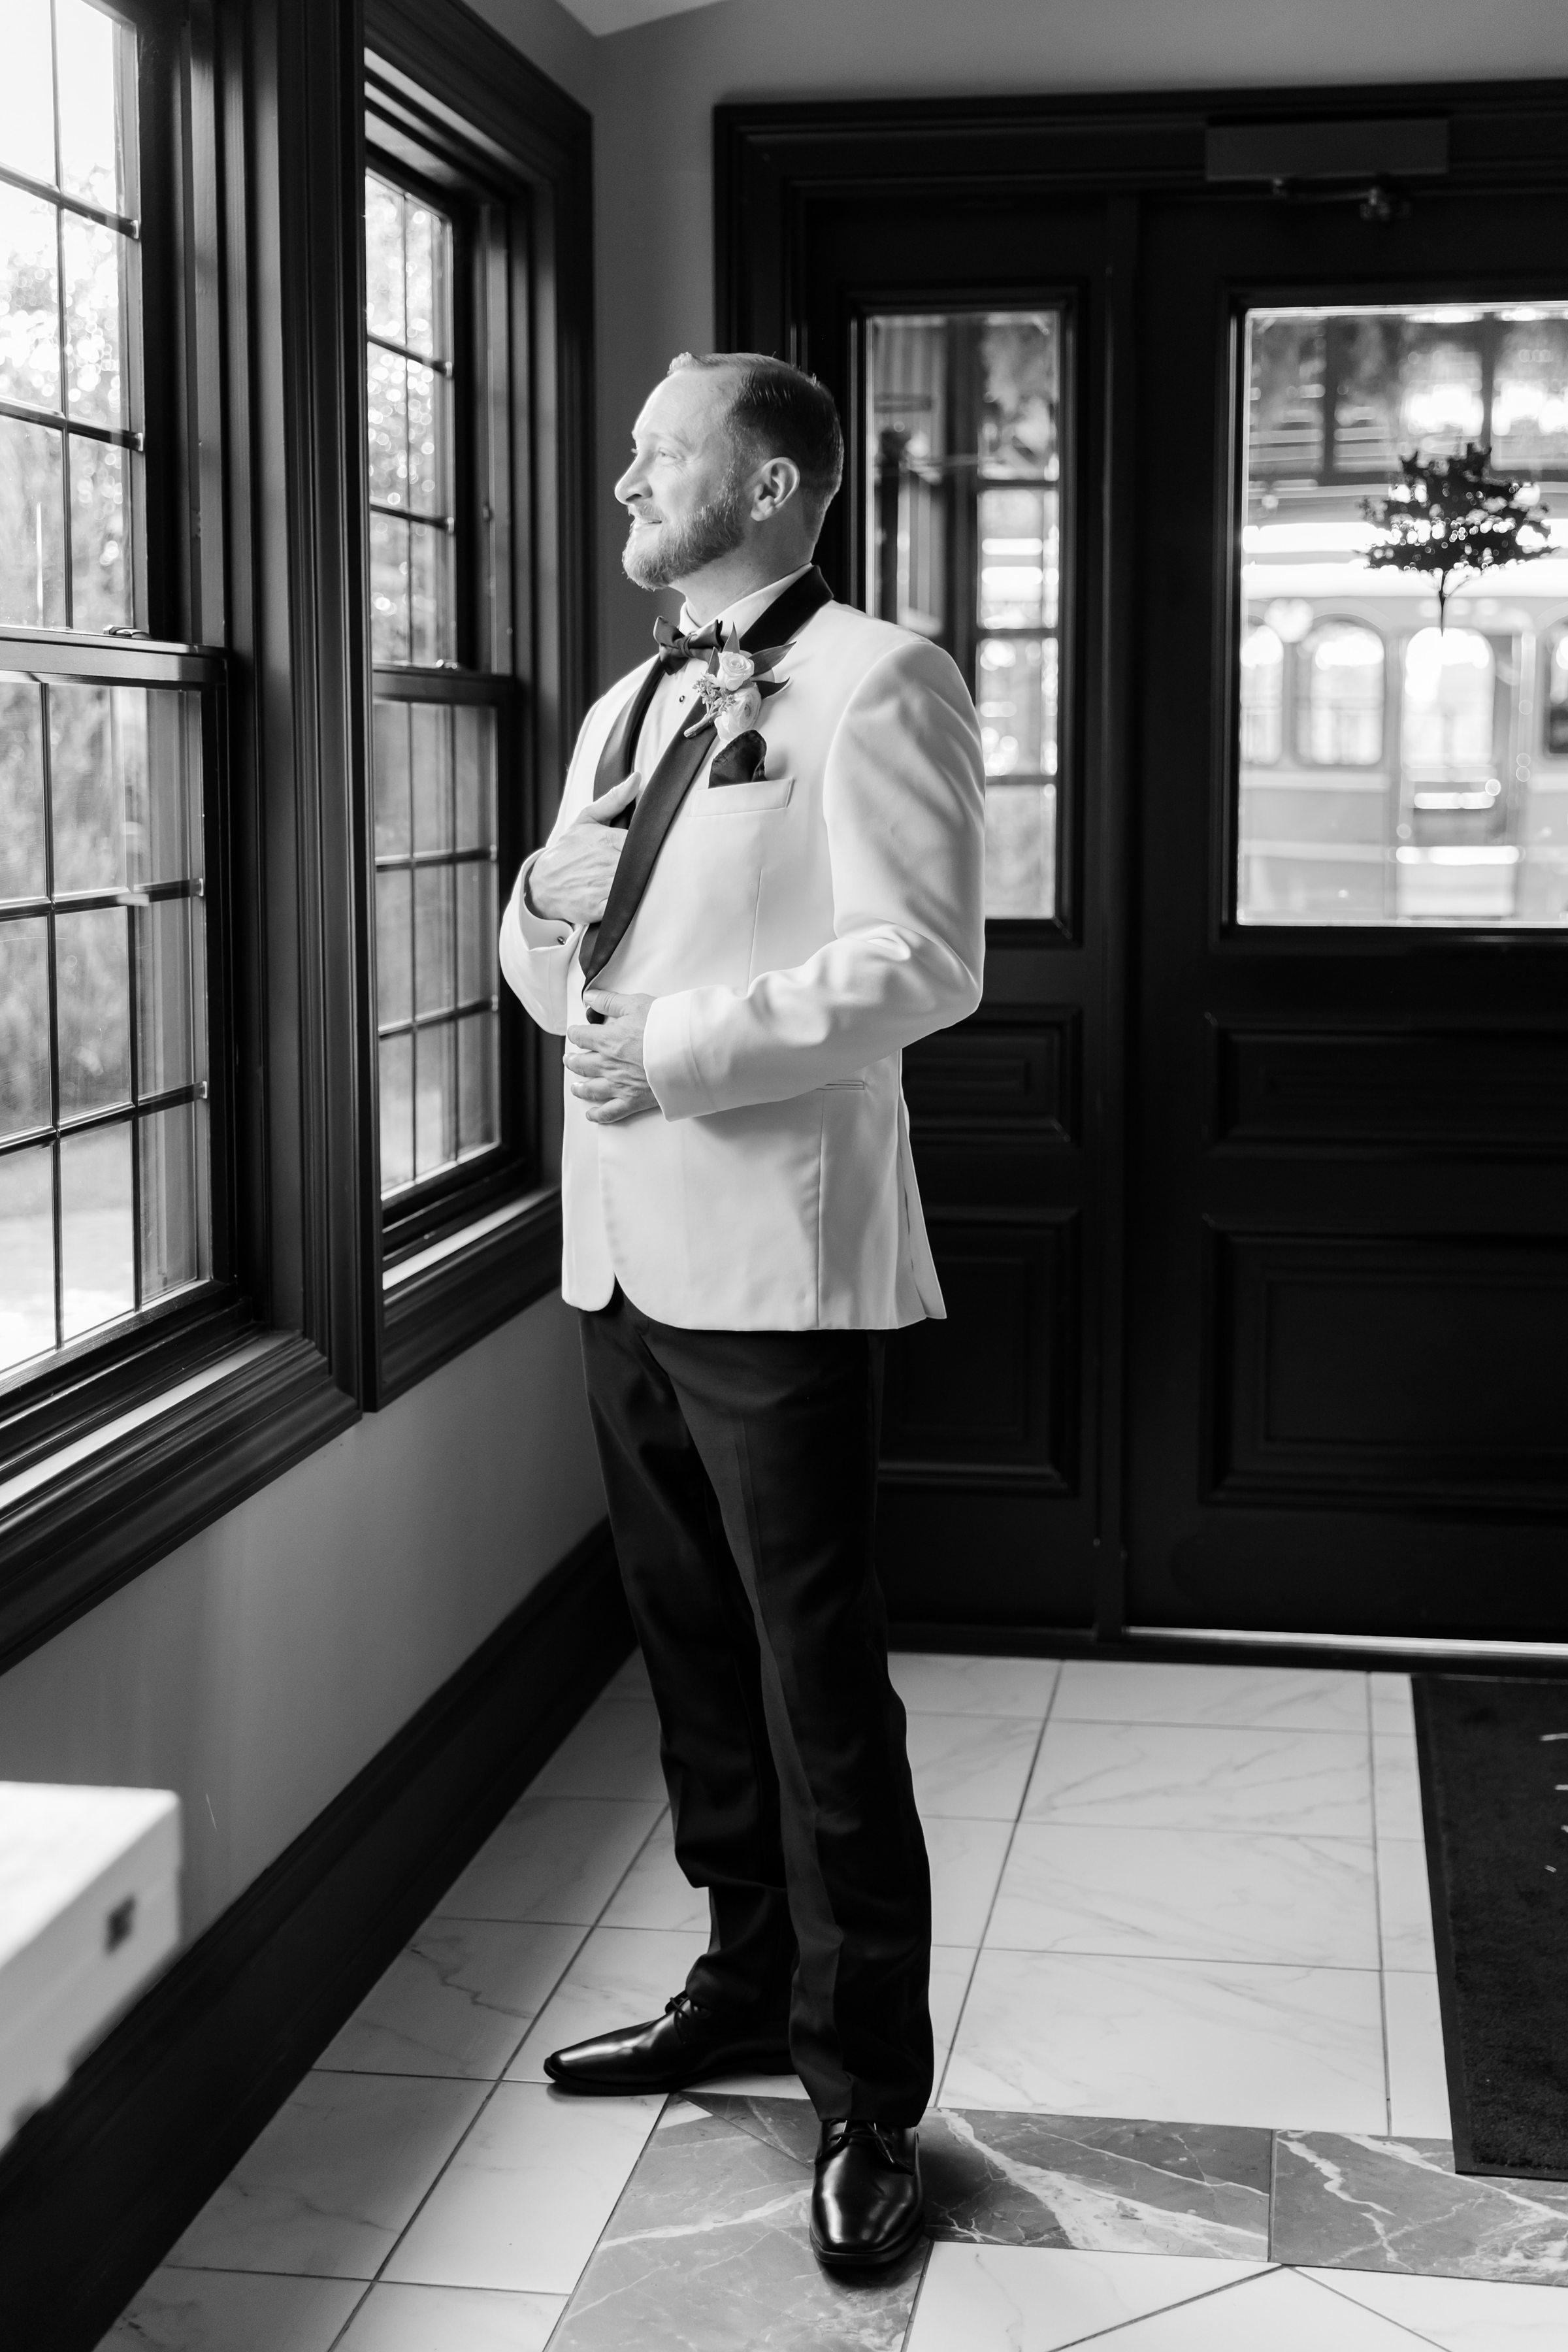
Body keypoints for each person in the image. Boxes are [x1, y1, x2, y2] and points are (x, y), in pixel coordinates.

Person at [498, 350, 985, 2271]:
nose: (627, 480)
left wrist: (679, 1047)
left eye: (659, 453)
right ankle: (735, 1976)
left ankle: (866, 2090)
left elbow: (927, 959)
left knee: (815, 1683)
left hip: (777, 1266)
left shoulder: (883, 677)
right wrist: (552, 944)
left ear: (775, 484)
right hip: (619, 1250)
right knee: (689, 1653)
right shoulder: (626, 697)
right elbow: (555, 930)